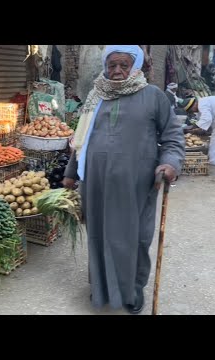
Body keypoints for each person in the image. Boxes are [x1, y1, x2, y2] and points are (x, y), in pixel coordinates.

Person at [63, 45, 185, 314]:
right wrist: (70, 175)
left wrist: (170, 163)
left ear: (136, 66)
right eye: (112, 65)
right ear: (106, 66)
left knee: (135, 238)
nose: (117, 71)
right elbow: (80, 139)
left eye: (124, 65)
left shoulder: (153, 96)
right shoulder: (96, 96)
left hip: (136, 185)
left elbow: (173, 137)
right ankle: (102, 287)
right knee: (98, 235)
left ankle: (132, 290)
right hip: (95, 184)